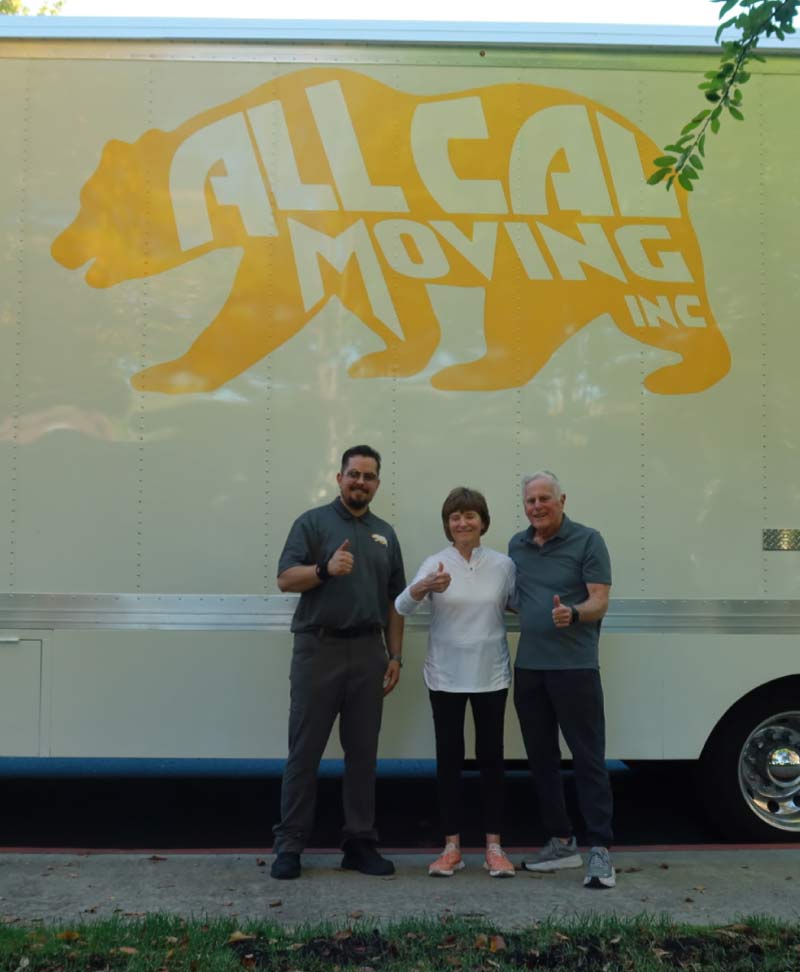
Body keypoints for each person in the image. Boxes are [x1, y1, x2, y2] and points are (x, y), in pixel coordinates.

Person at [270, 445, 406, 880]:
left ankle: (359, 844)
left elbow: (395, 602)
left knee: (363, 755)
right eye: (354, 474)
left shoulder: (386, 533)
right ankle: (289, 847)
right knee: (304, 753)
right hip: (318, 650)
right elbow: (285, 578)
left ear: (377, 483)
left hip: (368, 653)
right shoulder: (312, 523)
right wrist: (325, 570)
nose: (360, 482)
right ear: (339, 477)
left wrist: (395, 655)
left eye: (369, 476)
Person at [395, 487, 516, 879]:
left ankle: (495, 848)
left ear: (483, 520)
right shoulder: (435, 563)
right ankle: (452, 848)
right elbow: (401, 606)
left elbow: (516, 603)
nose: (462, 523)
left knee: (491, 761)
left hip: (491, 675)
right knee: (449, 761)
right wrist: (424, 587)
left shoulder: (503, 564)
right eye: (455, 517)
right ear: (447, 524)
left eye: (469, 515)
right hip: (445, 676)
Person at [508, 470, 615, 890]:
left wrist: (573, 613)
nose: (536, 506)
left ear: (562, 500)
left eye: (544, 499)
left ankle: (601, 850)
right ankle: (561, 843)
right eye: (530, 501)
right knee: (542, 760)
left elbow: (600, 601)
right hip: (530, 668)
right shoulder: (517, 545)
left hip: (575, 667)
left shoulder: (589, 540)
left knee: (588, 759)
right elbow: (518, 597)